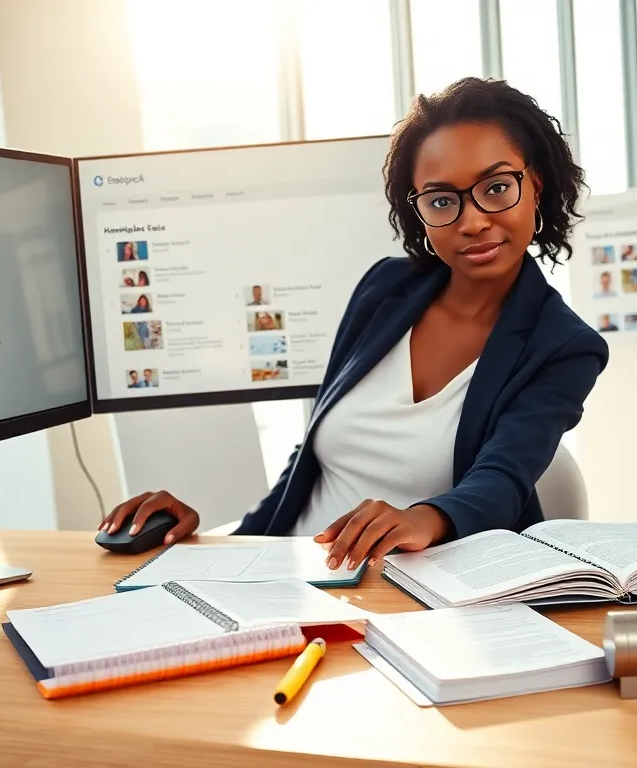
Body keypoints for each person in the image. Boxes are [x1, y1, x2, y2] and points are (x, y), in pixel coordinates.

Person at [100, 77, 608, 568]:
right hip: (289, 573)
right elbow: (312, 461)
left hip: (424, 599)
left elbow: (503, 480)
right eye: (441, 200)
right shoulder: (384, 289)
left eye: (496, 187)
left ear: (535, 185)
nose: (472, 220)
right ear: (419, 211)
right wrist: (215, 543)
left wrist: (422, 519)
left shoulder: (564, 345)